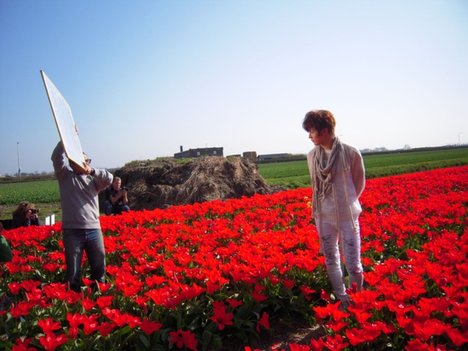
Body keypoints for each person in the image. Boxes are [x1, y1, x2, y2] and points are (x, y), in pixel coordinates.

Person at [303, 110, 365, 309]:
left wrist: (344, 201)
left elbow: (358, 182)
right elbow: (316, 184)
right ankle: (342, 299)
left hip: (347, 215)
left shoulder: (350, 152)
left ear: (325, 130)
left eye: (312, 131)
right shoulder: (312, 156)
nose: (309, 136)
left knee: (354, 263)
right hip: (324, 215)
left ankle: (357, 300)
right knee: (331, 258)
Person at [51, 141, 113, 292]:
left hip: (93, 230)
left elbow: (109, 178)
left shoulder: (94, 181)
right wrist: (65, 139)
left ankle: (98, 295)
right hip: (72, 231)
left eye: (87, 160)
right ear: (72, 162)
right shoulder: (65, 176)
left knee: (99, 266)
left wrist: (91, 171)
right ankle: (74, 300)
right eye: (81, 160)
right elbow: (56, 157)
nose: (85, 162)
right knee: (73, 271)